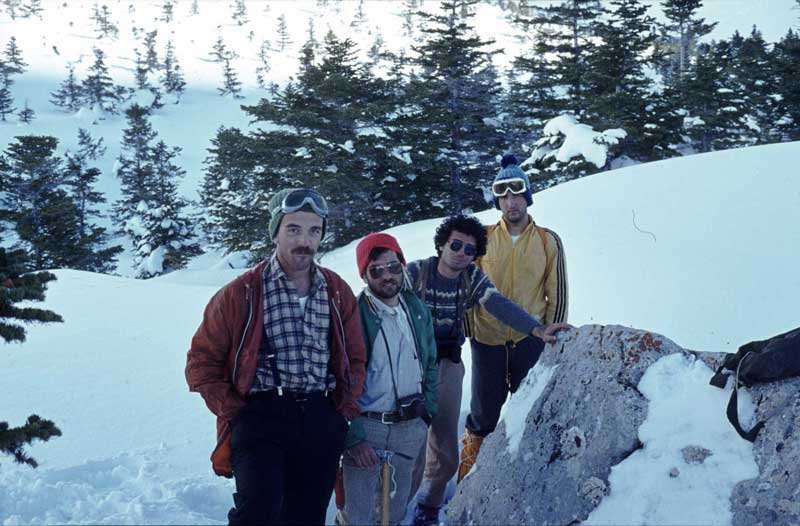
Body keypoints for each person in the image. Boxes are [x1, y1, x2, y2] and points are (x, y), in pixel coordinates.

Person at [184, 187, 367, 525]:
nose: (305, 240)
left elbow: (356, 357)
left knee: (307, 516)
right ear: (275, 232)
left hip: (321, 417)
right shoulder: (242, 292)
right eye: (293, 229)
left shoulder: (335, 290)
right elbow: (201, 362)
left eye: (314, 231)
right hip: (261, 417)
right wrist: (235, 410)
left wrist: (341, 409)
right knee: (258, 513)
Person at [407, 214, 569, 526]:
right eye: (455, 245)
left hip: (448, 366)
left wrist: (537, 330)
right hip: (409, 367)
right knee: (408, 447)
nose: (461, 253)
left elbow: (499, 304)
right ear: (442, 244)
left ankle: (428, 507)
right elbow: (383, 298)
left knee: (445, 449)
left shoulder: (471, 277)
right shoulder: (417, 273)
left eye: (469, 250)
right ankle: (389, 510)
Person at [457, 154, 570, 484]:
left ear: (527, 196)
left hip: (530, 341)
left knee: (529, 413)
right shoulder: (483, 238)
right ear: (497, 200)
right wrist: (467, 330)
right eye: (502, 195)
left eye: (516, 193)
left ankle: (523, 481)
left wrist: (553, 335)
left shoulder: (548, 240)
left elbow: (557, 289)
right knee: (482, 415)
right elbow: (468, 286)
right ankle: (468, 485)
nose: (510, 201)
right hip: (487, 341)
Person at [337, 232, 438, 526]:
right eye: (376, 270)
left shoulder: (416, 309)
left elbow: (430, 363)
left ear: (403, 266)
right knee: (358, 515)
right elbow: (342, 381)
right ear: (364, 275)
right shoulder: (355, 315)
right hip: (369, 427)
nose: (387, 276)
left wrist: (427, 413)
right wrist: (354, 437)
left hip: (410, 426)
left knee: (393, 512)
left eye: (393, 266)